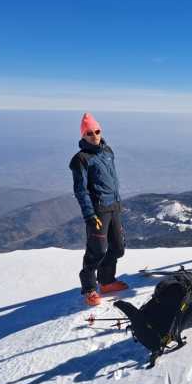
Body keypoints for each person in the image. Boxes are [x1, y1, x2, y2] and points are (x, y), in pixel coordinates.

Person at [69, 113, 127, 306]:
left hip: (114, 207)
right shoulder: (80, 159)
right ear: (82, 135)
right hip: (98, 211)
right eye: (89, 133)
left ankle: (107, 281)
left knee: (118, 247)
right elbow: (80, 190)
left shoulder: (108, 151)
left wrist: (118, 203)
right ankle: (89, 288)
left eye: (97, 131)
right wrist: (90, 215)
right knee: (97, 251)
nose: (94, 135)